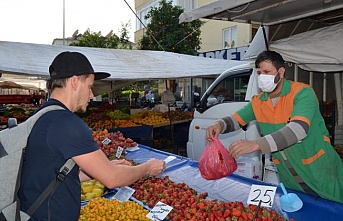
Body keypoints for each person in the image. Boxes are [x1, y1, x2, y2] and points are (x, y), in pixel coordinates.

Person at [18, 51, 166, 221]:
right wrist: (147, 168)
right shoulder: (66, 123)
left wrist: (99, 169)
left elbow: (53, 174)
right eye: (89, 86)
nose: (91, 95)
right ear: (74, 82)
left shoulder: (44, 115)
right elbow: (112, 179)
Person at [206, 50, 343, 203]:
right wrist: (219, 125)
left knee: (334, 209)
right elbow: (237, 119)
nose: (262, 77)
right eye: (259, 73)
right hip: (288, 176)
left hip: (318, 170)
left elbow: (298, 130)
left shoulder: (302, 93)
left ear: (281, 72)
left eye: (267, 72)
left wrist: (256, 144)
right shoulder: (259, 101)